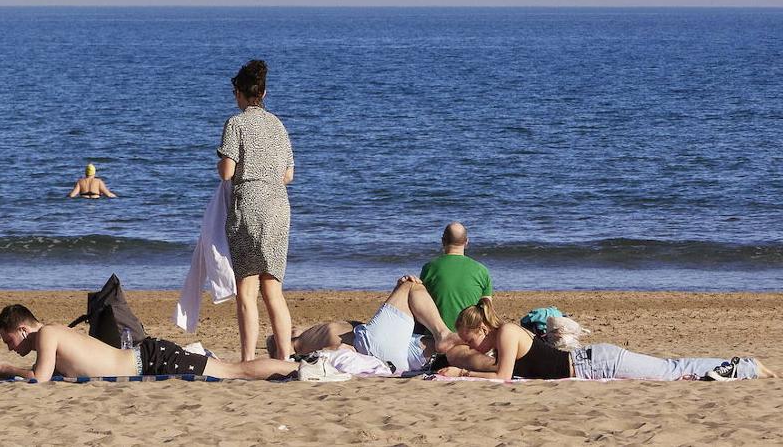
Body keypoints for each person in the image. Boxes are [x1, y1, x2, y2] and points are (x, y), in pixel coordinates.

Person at [0, 304, 341, 382]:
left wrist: (2, 369)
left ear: (23, 329)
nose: (11, 348)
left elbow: (39, 380)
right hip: (150, 358)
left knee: (235, 372)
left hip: (152, 360)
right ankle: (298, 366)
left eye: (10, 341)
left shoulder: (49, 335)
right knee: (233, 371)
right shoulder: (51, 336)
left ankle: (299, 367)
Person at [440, 298, 778, 381]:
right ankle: (744, 367)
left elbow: (503, 377)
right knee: (669, 370)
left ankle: (747, 366)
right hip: (589, 366)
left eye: (471, 341)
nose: (473, 348)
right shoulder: (502, 337)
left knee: (671, 370)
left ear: (483, 329)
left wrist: (463, 372)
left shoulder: (508, 333)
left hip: (596, 363)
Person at [218, 59, 295, 361]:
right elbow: (288, 175)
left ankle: (249, 359)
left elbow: (227, 171)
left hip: (249, 206)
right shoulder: (278, 125)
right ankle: (285, 356)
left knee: (247, 291)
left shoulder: (236, 123)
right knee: (273, 290)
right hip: (279, 207)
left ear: (239, 92)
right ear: (264, 93)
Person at [276, 276, 490, 374]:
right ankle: (441, 332)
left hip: (378, 347)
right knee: (408, 287)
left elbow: (494, 367)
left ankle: (442, 332)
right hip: (384, 349)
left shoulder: (460, 351)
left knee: (409, 286)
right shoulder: (467, 347)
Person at [419, 222, 493, 331]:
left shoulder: (429, 268)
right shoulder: (482, 271)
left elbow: (422, 303)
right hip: (469, 336)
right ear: (466, 242)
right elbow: (487, 310)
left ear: (443, 241)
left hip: (436, 335)